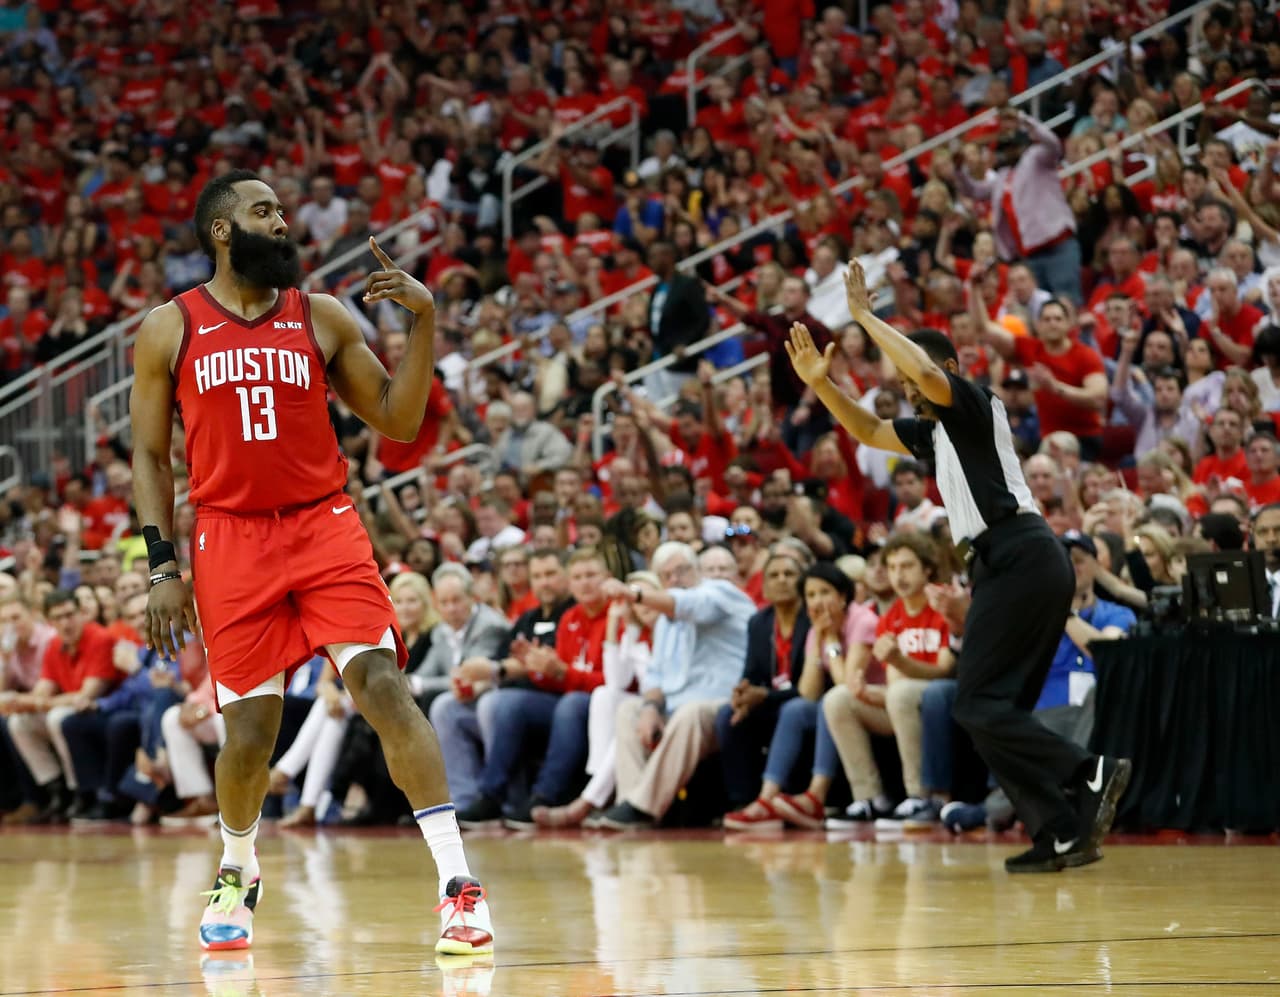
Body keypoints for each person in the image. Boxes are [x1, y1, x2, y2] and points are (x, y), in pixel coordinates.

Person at [130, 171, 493, 953]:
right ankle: (236, 865)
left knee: (385, 687)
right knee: (250, 737)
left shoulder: (319, 315)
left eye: (285, 209)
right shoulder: (171, 326)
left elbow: (396, 421)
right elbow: (149, 457)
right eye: (265, 211)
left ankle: (459, 884)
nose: (284, 221)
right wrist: (163, 569)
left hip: (324, 525)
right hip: (228, 538)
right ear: (223, 231)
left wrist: (424, 322)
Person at [785, 261, 1132, 873]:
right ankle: (1061, 829)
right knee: (994, 711)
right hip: (1009, 564)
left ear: (946, 372)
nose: (910, 389)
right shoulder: (937, 433)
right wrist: (822, 384)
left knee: (973, 704)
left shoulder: (972, 404)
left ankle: (1089, 772)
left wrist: (866, 318)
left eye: (918, 379)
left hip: (1019, 554)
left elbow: (920, 367)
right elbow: (866, 428)